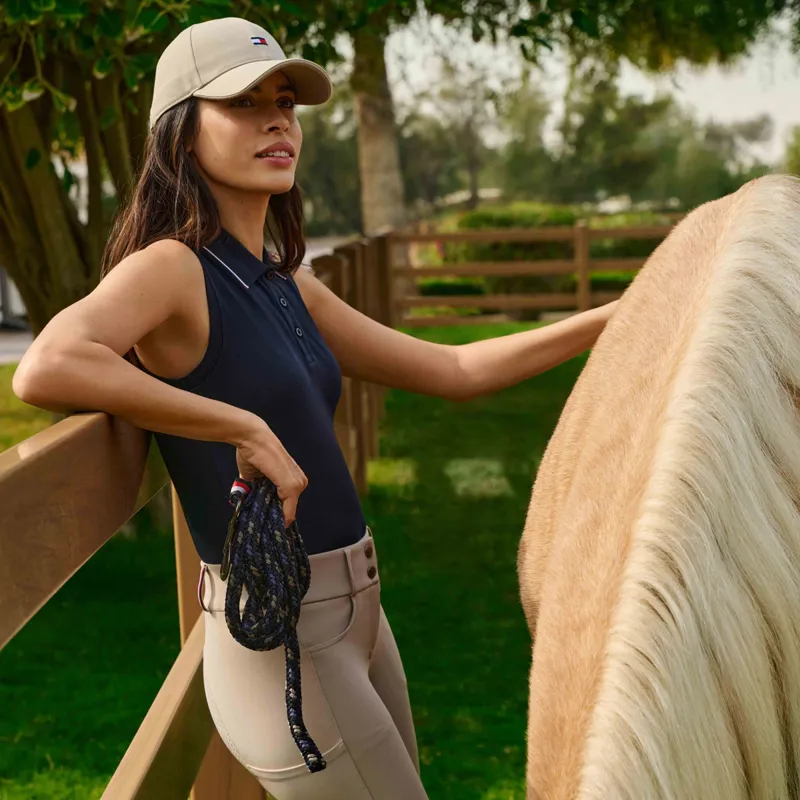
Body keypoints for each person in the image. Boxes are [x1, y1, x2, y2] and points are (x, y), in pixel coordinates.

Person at [11, 16, 618, 799]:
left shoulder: (283, 278)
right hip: (285, 639)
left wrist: (619, 315)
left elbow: (456, 368)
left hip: (359, 611)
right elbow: (48, 363)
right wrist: (237, 425)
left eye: (287, 102)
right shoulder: (172, 268)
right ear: (180, 133)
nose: (277, 121)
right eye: (243, 102)